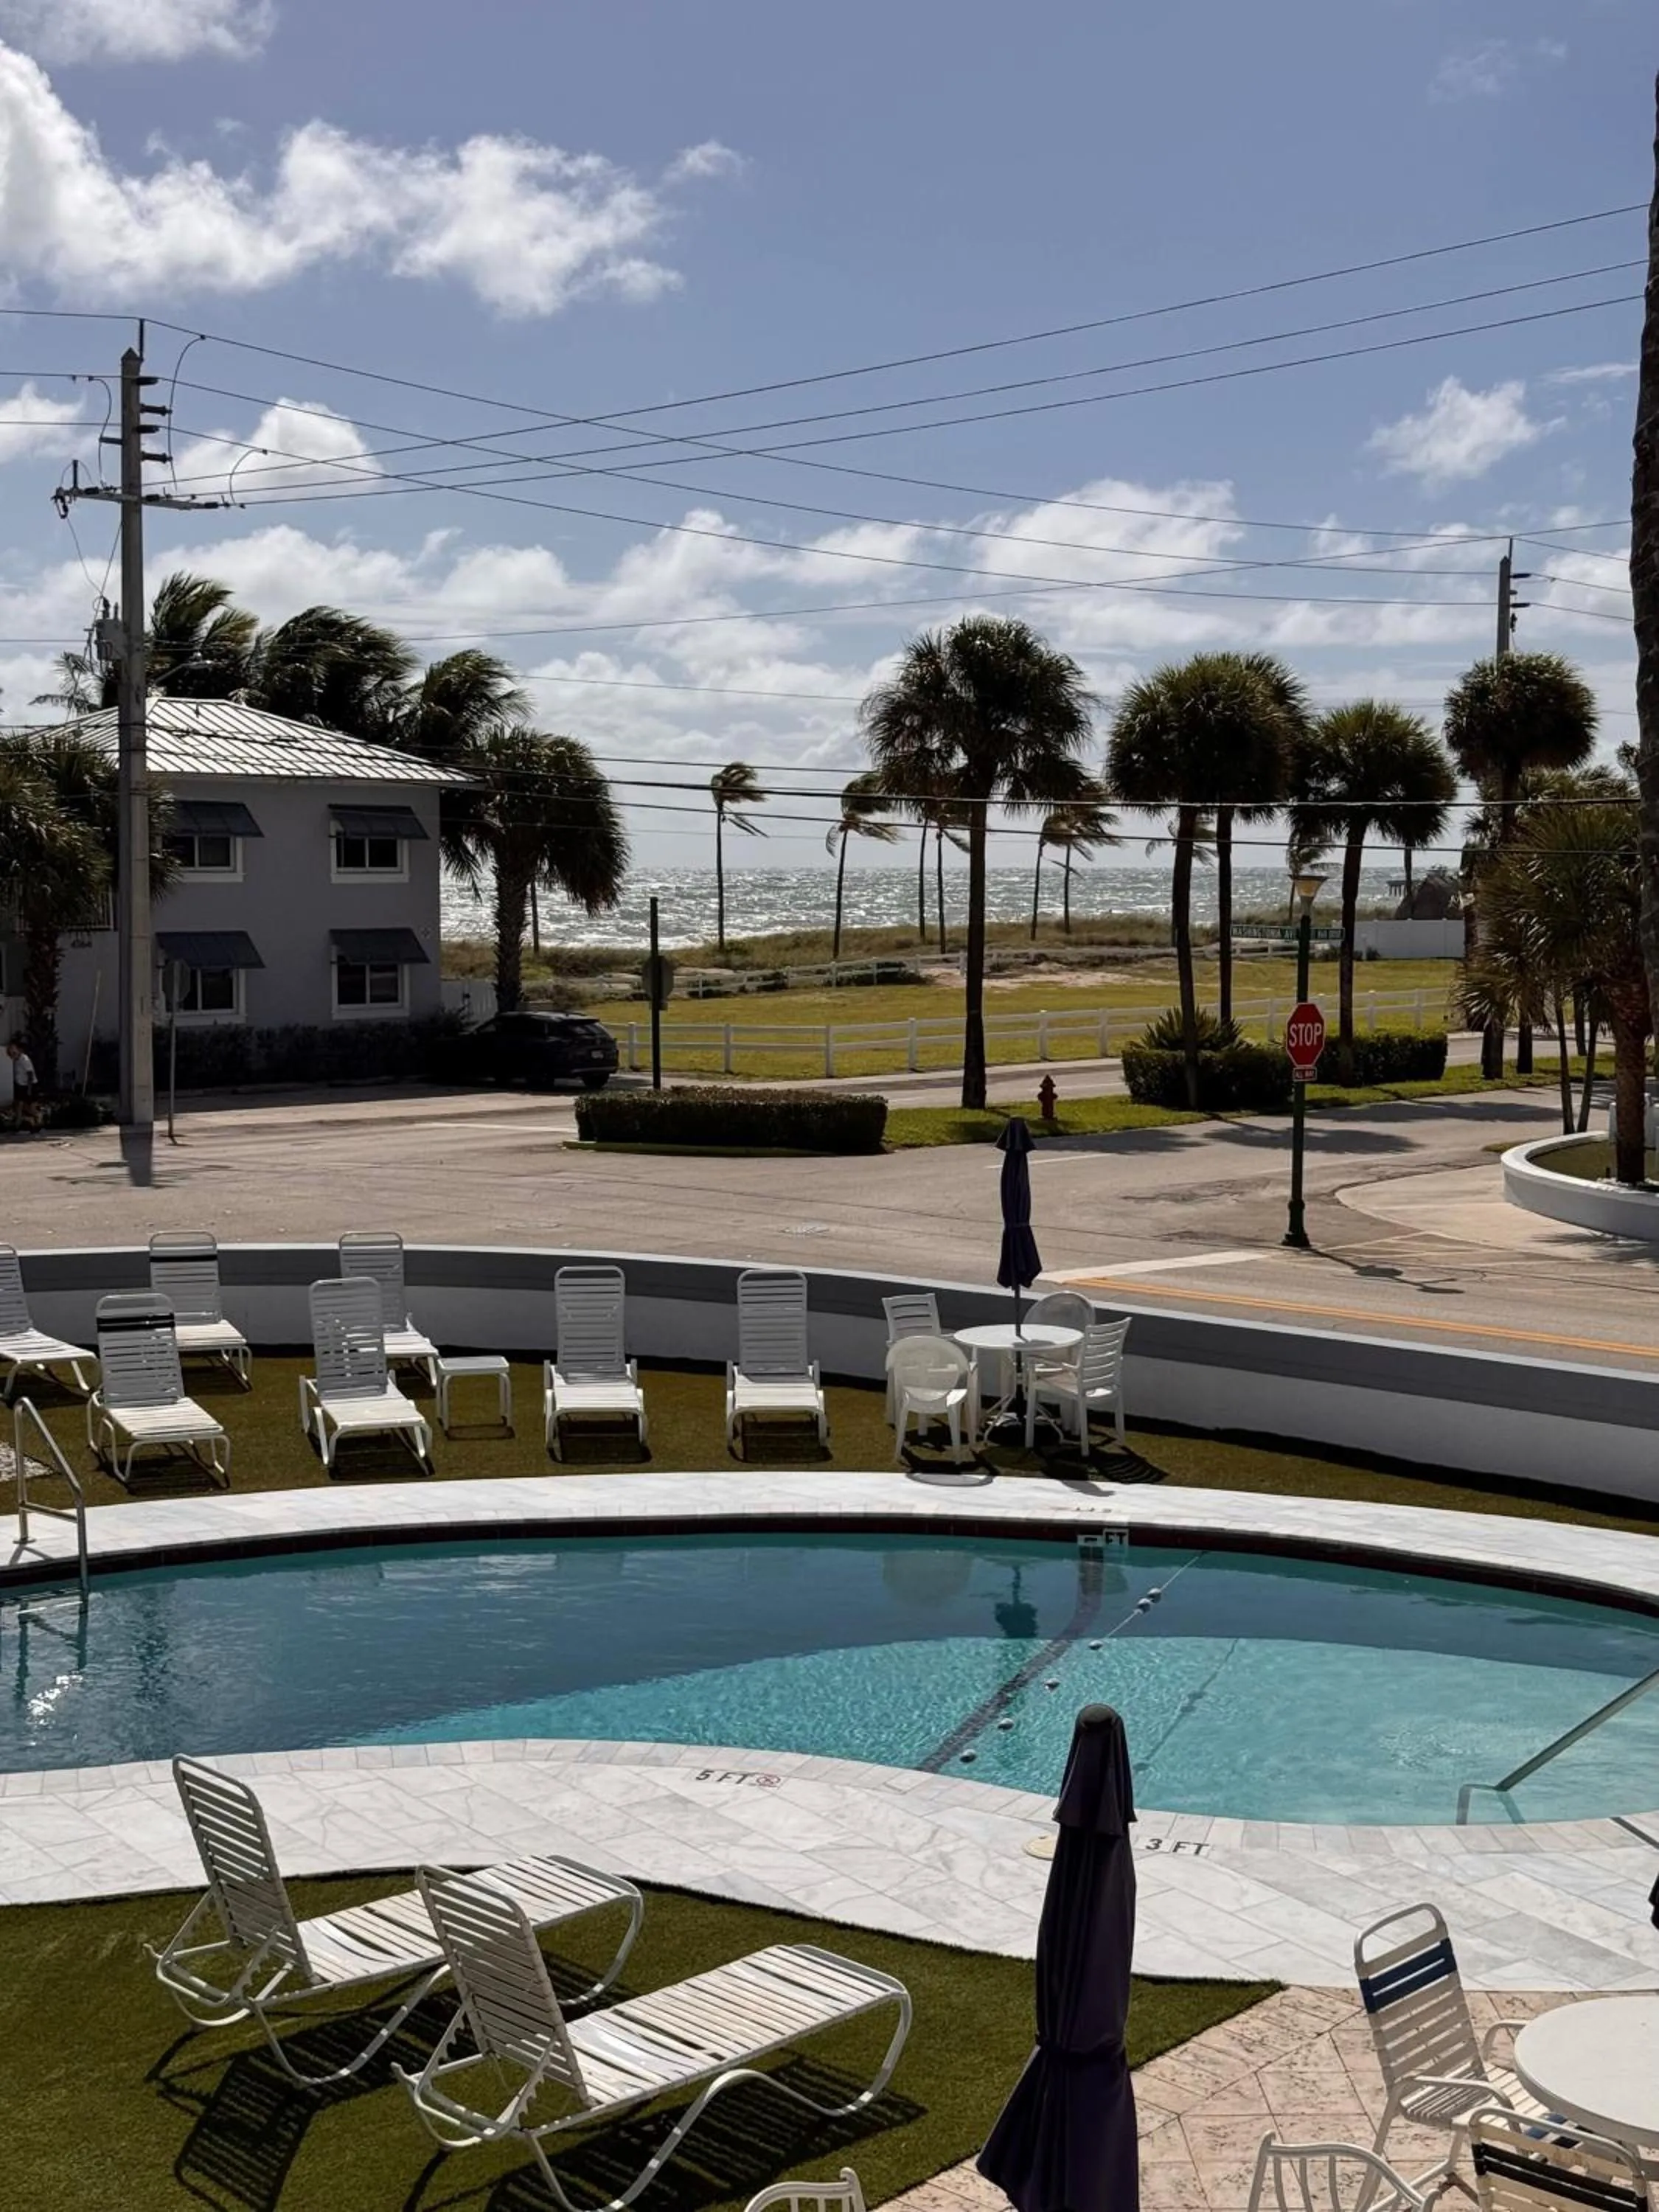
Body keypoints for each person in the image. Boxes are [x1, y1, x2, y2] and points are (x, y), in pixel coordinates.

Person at [5, 1038, 40, 1132]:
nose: (12, 1051)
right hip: (20, 1085)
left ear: (19, 1049)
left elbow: (30, 1074)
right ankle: (18, 1124)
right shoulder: (15, 1060)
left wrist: (29, 1089)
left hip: (29, 1085)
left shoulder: (24, 1059)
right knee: (19, 1105)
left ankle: (38, 1120)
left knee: (29, 1107)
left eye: (13, 1049)